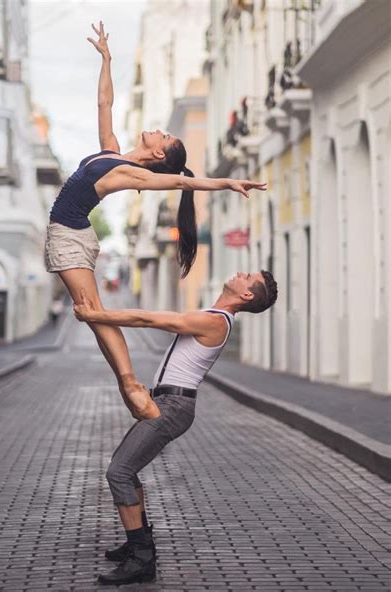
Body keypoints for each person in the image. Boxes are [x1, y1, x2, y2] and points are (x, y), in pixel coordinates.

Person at [45, 21, 267, 421]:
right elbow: (104, 105)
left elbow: (182, 180)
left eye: (165, 138)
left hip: (69, 235)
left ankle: (130, 385)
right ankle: (130, 385)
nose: (160, 132)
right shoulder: (114, 154)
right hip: (75, 233)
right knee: (94, 310)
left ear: (160, 155)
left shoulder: (134, 175)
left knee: (93, 311)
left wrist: (226, 182)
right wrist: (107, 60)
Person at [74, 270, 278, 586]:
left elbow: (148, 320)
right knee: (127, 470)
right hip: (167, 403)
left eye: (247, 276)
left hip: (173, 407)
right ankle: (137, 543)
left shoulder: (216, 321)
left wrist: (95, 315)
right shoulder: (215, 316)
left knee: (119, 472)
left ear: (247, 295)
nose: (240, 272)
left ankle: (141, 558)